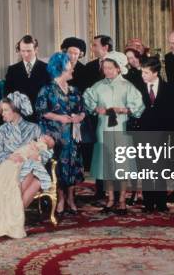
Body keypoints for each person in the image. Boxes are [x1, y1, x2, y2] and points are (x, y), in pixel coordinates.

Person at [83, 51, 145, 215]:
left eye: (110, 68)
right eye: (105, 68)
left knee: (122, 165)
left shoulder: (127, 86)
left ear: (118, 68)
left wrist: (123, 109)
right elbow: (88, 101)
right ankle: (110, 198)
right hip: (103, 128)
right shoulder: (98, 86)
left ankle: (122, 199)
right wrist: (97, 109)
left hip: (121, 128)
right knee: (107, 165)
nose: (107, 71)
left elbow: (138, 107)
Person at [0, 135, 55, 239]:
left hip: (28, 166)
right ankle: (6, 222)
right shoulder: (3, 131)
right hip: (11, 165)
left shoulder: (42, 146)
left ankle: (11, 222)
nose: (46, 138)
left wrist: (35, 152)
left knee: (32, 182)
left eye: (49, 140)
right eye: (47, 137)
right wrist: (10, 156)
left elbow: (39, 158)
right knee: (11, 190)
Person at [36, 52, 85, 215]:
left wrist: (79, 117)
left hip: (72, 136)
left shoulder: (74, 90)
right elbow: (42, 111)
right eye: (69, 67)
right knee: (58, 168)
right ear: (60, 69)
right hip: (55, 136)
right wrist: (59, 118)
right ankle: (61, 198)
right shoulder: (47, 90)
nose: (72, 70)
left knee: (72, 167)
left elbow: (82, 111)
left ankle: (71, 197)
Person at [0, 92, 53, 205]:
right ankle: (15, 215)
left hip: (32, 167)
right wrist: (10, 157)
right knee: (33, 178)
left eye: (5, 110)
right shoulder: (2, 130)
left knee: (36, 177)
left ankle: (12, 215)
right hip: (10, 167)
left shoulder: (33, 128)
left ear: (16, 110)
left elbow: (47, 150)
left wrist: (38, 156)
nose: (2, 114)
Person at [138, 57, 174, 213]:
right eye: (142, 72)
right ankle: (148, 203)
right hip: (143, 133)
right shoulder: (138, 87)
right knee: (146, 168)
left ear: (155, 73)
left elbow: (172, 112)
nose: (143, 75)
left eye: (146, 73)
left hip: (162, 133)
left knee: (160, 168)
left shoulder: (168, 89)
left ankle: (161, 202)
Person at [81, 35, 112, 202]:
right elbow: (87, 93)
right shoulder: (90, 67)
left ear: (106, 47)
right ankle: (100, 190)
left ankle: (114, 193)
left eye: (95, 45)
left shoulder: (118, 64)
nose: (92, 48)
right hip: (96, 118)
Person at [4, 35, 51, 121]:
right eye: (23, 51)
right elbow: (7, 95)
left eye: (29, 51)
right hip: (19, 119)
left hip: (41, 118)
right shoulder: (12, 70)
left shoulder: (47, 68)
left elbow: (51, 95)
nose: (26, 54)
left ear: (36, 49)